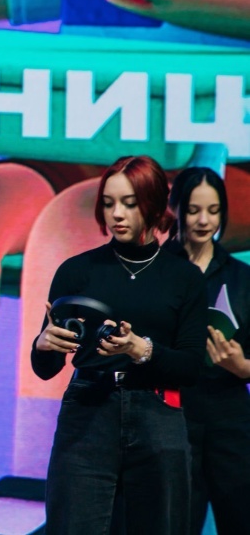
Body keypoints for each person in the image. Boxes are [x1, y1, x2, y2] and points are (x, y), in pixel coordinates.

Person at [31, 155, 207, 534]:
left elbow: (192, 367)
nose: (117, 214)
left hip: (158, 413)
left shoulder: (184, 278)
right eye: (109, 203)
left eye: (129, 203)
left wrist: (139, 349)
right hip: (88, 410)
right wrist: (43, 345)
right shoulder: (77, 270)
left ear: (154, 204)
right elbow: (46, 369)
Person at [166, 167, 250, 535]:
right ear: (175, 209)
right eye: (194, 210)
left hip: (230, 415)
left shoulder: (241, 277)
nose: (204, 221)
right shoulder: (152, 272)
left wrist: (242, 367)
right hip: (169, 415)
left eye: (213, 211)